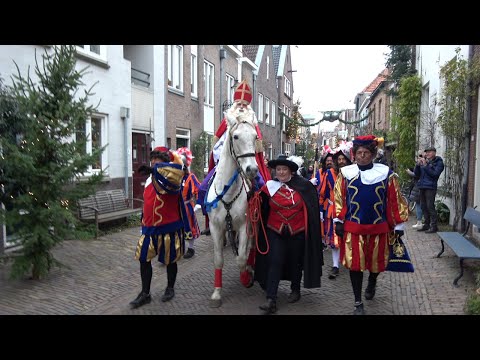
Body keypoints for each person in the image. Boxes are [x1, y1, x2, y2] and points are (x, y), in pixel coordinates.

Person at [333, 135, 409, 315]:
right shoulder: (346, 174)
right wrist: (338, 220)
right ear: (354, 154)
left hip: (378, 229)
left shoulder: (386, 174)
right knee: (354, 265)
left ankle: (373, 281)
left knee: (377, 264)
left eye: (366, 153)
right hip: (354, 229)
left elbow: (393, 200)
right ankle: (358, 302)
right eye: (359, 153)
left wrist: (398, 226)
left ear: (373, 154)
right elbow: (339, 198)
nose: (362, 156)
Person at [197, 80, 270, 234]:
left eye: (244, 104)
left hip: (247, 163)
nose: (241, 107)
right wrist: (220, 157)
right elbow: (216, 147)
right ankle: (210, 218)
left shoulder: (252, 124)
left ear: (248, 107)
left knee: (262, 188)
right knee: (203, 187)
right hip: (224, 165)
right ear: (234, 105)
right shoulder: (227, 123)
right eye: (239, 104)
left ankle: (258, 219)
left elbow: (257, 150)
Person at [253, 154, 323, 314]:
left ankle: (295, 289)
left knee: (295, 262)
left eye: (284, 169)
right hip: (275, 231)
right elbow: (258, 206)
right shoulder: (268, 187)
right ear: (275, 171)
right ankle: (271, 298)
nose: (281, 172)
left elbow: (311, 209)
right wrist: (252, 198)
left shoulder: (304, 186)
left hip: (297, 231)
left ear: (291, 172)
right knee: (275, 261)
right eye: (278, 169)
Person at [129, 147, 191, 309]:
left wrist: (156, 171)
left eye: (158, 163)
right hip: (149, 228)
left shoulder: (173, 178)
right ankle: (145, 293)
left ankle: (170, 288)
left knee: (170, 260)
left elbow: (171, 181)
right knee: (144, 259)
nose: (154, 166)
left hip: (169, 227)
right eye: (153, 163)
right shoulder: (149, 180)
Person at [320, 144, 352, 280]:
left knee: (350, 237)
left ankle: (351, 261)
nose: (341, 161)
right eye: (338, 159)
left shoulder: (353, 173)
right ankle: (335, 266)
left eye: (343, 159)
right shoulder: (329, 174)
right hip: (333, 211)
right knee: (335, 239)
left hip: (350, 210)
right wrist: (321, 209)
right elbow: (323, 193)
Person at [177, 147, 201, 259]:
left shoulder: (191, 177)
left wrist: (198, 204)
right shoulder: (176, 178)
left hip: (187, 207)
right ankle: (179, 248)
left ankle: (191, 249)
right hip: (176, 207)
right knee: (177, 228)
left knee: (189, 227)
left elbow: (199, 189)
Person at [414, 146, 445, 233]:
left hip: (430, 187)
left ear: (434, 153)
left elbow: (435, 174)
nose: (427, 154)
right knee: (423, 206)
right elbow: (416, 174)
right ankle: (426, 225)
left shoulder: (438, 162)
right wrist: (417, 164)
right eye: (426, 152)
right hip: (422, 186)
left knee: (430, 206)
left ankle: (434, 226)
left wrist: (425, 165)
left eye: (429, 152)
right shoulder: (425, 161)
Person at [406, 152, 424, 229]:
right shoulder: (420, 164)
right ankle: (419, 221)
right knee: (418, 203)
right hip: (418, 186)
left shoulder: (424, 164)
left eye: (420, 156)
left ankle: (420, 221)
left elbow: (417, 174)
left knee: (419, 204)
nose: (419, 158)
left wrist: (409, 172)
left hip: (419, 186)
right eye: (418, 156)